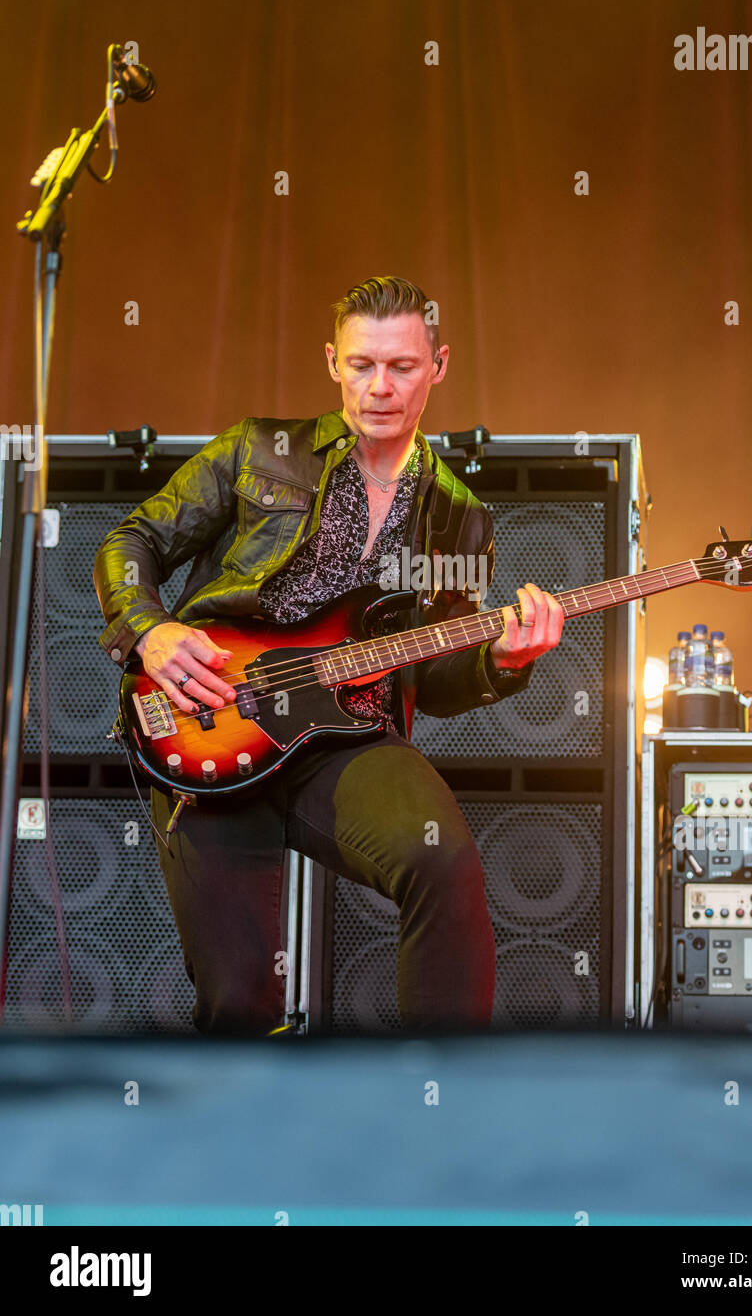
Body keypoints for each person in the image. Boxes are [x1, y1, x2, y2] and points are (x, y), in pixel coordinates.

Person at [93, 275, 564, 1035]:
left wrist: (503, 661)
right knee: (241, 1003)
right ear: (332, 362)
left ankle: (438, 1104)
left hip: (348, 737)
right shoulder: (258, 449)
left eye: (402, 367)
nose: (380, 387)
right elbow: (133, 540)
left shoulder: (459, 517)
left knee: (441, 865)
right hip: (213, 712)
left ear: (437, 366)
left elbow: (434, 677)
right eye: (361, 365)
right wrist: (151, 630)